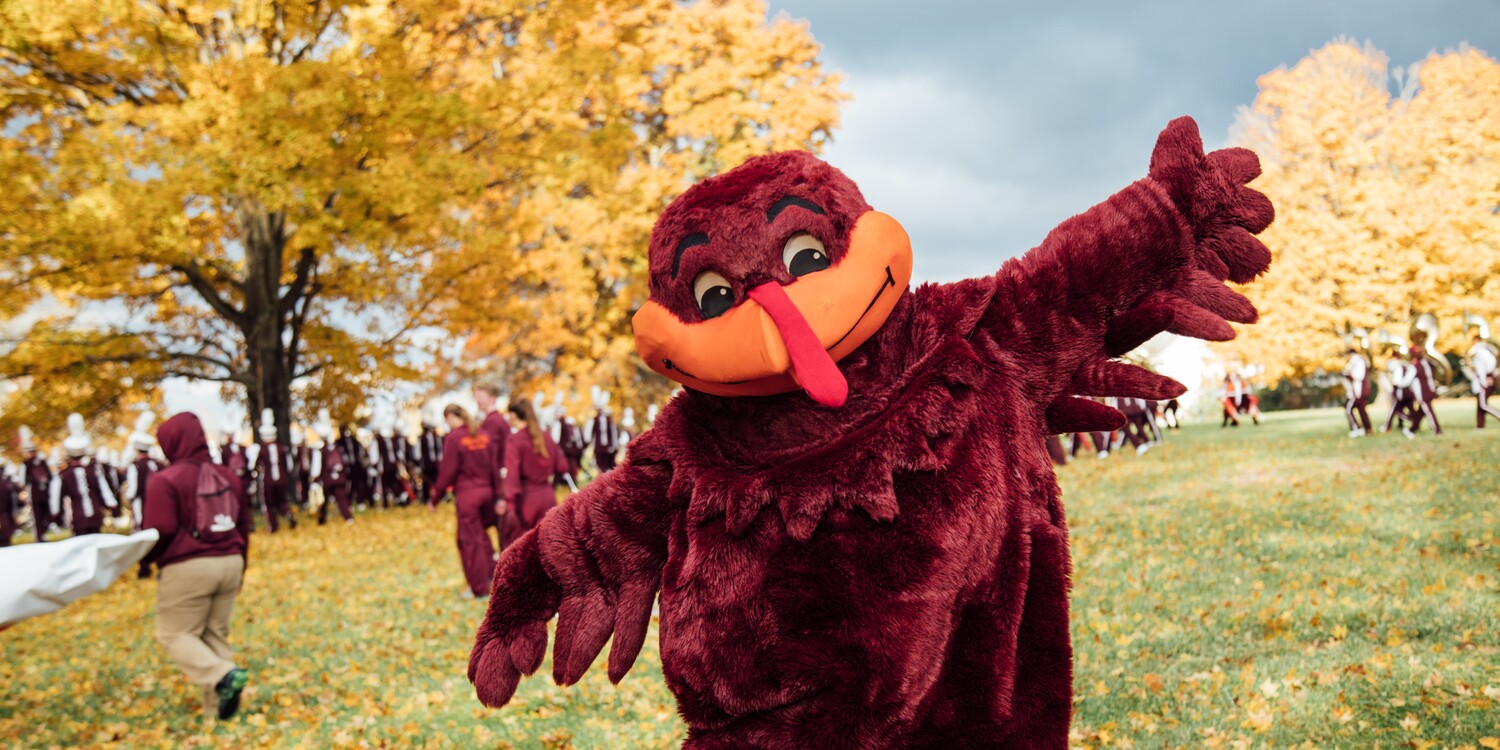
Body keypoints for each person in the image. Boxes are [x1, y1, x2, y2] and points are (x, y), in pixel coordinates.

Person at [140, 412, 254, 720]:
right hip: (230, 561)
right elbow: (244, 526)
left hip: (188, 566)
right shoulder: (229, 477)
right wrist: (241, 568)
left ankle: (223, 675)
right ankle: (217, 712)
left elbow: (160, 529)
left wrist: (146, 560)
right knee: (214, 634)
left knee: (174, 634)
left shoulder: (166, 480)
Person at [429, 404, 502, 599]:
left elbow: (447, 472)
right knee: (483, 538)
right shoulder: (483, 435)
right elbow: (494, 467)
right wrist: (498, 494)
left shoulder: (454, 439)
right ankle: (493, 577)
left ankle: (479, 587)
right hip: (487, 493)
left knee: (470, 541)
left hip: (468, 495)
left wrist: (435, 499)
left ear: (451, 417)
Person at [501, 399, 568, 549]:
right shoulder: (546, 436)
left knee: (524, 549)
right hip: (548, 497)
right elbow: (562, 466)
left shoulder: (515, 440)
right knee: (548, 546)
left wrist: (510, 504)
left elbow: (512, 476)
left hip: (526, 500)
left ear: (513, 415)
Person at [49, 414, 118, 536]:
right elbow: (104, 489)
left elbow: (56, 496)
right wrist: (112, 505)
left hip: (77, 517)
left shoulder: (64, 475)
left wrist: (55, 513)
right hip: (95, 515)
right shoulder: (93, 471)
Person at [123, 413, 163, 578]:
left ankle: (144, 567)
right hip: (158, 503)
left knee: (142, 531)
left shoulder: (136, 466)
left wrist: (127, 498)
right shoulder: (158, 464)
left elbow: (133, 489)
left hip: (141, 503)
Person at [251, 409, 296, 531]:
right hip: (282, 480)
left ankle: (273, 526)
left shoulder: (262, 450)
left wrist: (254, 476)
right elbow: (289, 465)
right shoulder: (282, 448)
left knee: (269, 504)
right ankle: (288, 514)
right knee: (281, 502)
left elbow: (256, 467)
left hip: (268, 481)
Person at [312, 420, 354, 525]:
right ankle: (348, 518)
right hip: (340, 477)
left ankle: (321, 519)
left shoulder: (320, 449)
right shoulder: (337, 447)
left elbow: (317, 466)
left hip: (327, 479)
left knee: (324, 499)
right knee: (341, 498)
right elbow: (345, 461)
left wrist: (315, 478)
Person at [20, 427, 53, 542]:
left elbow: (23, 481)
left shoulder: (26, 464)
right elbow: (50, 477)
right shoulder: (42, 462)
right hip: (45, 493)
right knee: (44, 514)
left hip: (34, 494)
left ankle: (39, 536)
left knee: (37, 516)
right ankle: (43, 533)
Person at [1464, 333, 1500, 428]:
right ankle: (1480, 426)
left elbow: (1490, 364)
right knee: (1480, 404)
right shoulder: (1480, 351)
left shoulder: (1481, 351)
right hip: (1481, 380)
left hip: (1485, 381)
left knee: (1482, 404)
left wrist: (1487, 377)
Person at [1407, 346, 1442, 436]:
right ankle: (1412, 430)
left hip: (1422, 393)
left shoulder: (1415, 366)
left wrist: (1396, 383)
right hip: (1429, 389)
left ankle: (1437, 430)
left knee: (1428, 411)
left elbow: (1407, 380)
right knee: (1420, 412)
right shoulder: (1426, 363)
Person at [1342, 346, 1372, 437]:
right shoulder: (1360, 361)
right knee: (1362, 410)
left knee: (1348, 408)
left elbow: (1358, 377)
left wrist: (1348, 374)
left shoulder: (1357, 361)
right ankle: (1368, 428)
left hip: (1357, 391)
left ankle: (1356, 428)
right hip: (1360, 391)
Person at [417, 417, 443, 502]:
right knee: (428, 481)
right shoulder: (425, 437)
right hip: (429, 463)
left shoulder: (434, 437)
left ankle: (438, 496)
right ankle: (427, 497)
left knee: (435, 480)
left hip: (431, 463)